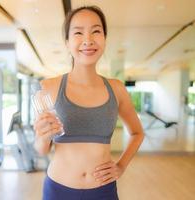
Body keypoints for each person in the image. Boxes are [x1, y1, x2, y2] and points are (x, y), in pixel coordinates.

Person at [33, 5, 144, 200]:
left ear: (104, 39)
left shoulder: (116, 89)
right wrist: (42, 137)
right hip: (58, 190)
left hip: (104, 191)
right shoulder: (49, 87)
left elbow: (137, 133)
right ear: (67, 42)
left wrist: (121, 166)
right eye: (78, 32)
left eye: (96, 31)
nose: (88, 40)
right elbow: (42, 149)